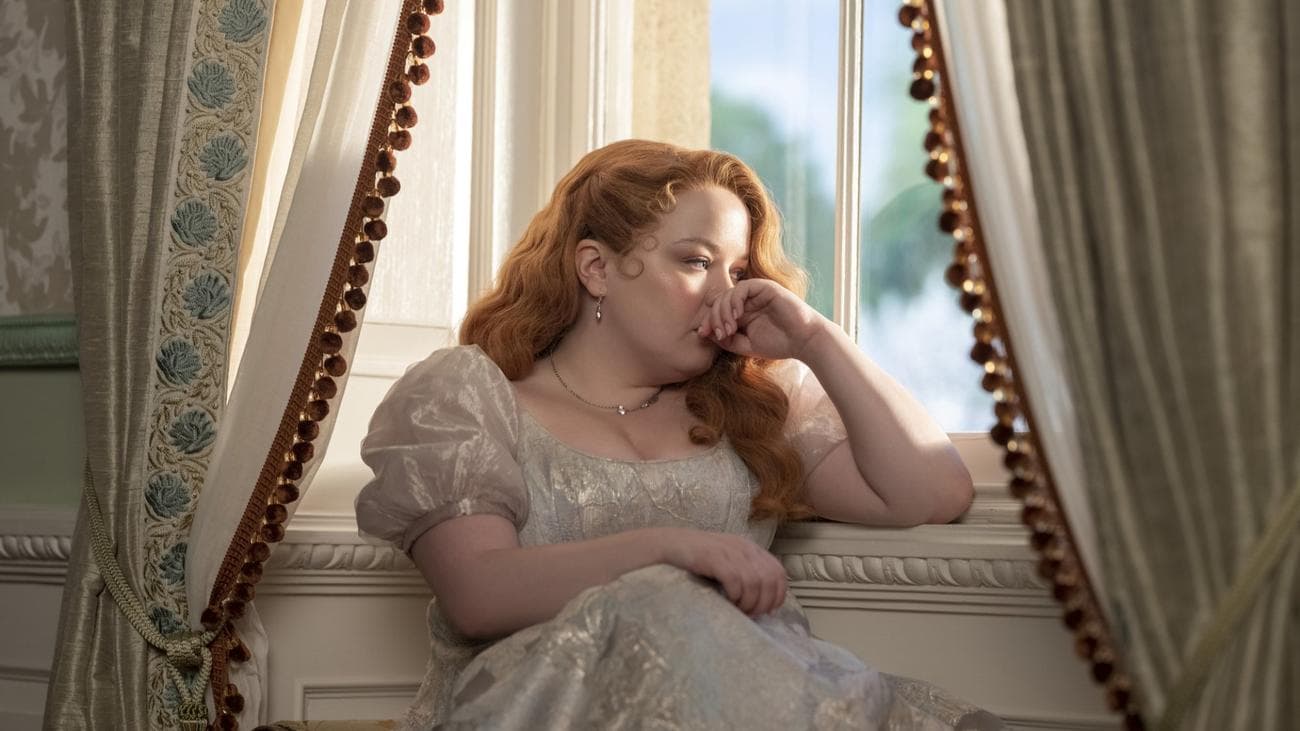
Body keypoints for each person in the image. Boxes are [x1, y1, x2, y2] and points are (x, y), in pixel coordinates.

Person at [355, 139, 1004, 729]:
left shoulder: (753, 404)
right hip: (532, 711)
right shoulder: (467, 395)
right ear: (597, 267)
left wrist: (813, 337)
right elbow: (477, 593)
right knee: (661, 603)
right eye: (697, 261)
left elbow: (933, 492)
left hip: (752, 710)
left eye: (738, 271)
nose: (726, 294)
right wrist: (672, 550)